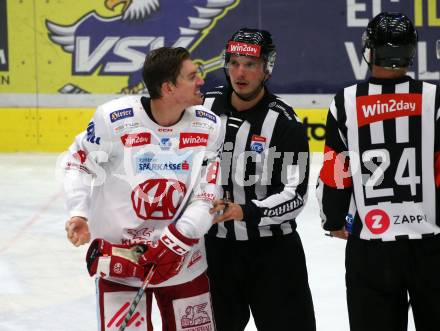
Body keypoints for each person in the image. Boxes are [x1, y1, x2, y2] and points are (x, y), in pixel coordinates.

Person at [63, 47, 224, 331]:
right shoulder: (114, 119)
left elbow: (208, 194)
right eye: (192, 76)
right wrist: (79, 211)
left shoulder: (208, 125)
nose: (201, 80)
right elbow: (78, 162)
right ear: (168, 87)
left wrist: (177, 240)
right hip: (121, 266)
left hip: (186, 263)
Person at [316, 12, 440, 331]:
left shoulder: (345, 102)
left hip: (371, 244)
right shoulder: (434, 99)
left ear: (369, 51)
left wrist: (333, 218)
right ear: (411, 52)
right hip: (430, 245)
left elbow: (335, 172)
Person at [203, 28, 316, 331]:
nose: (240, 72)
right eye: (234, 62)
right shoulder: (204, 109)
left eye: (250, 64)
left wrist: (243, 210)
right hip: (214, 253)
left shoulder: (284, 123)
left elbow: (294, 195)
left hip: (274, 256)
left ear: (267, 68)